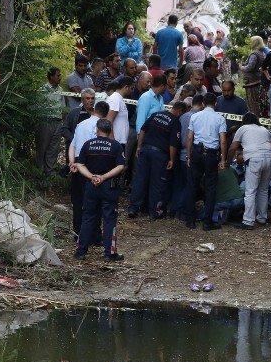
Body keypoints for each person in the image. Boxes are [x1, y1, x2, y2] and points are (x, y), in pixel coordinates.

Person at [73, 118, 125, 261]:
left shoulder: (88, 145)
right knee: (109, 220)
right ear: (110, 130)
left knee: (88, 218)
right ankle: (110, 253)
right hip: (109, 186)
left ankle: (81, 252)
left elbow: (79, 164)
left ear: (97, 129)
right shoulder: (115, 146)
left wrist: (92, 177)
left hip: (91, 186)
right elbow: (121, 166)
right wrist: (104, 177)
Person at [130, 101, 185, 219]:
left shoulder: (156, 115)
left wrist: (139, 147)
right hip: (159, 155)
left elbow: (143, 130)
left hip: (145, 150)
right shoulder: (175, 122)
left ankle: (133, 207)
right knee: (157, 183)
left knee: (140, 179)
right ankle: (154, 211)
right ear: (179, 111)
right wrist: (171, 159)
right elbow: (173, 144)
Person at [68, 99, 110, 240]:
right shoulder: (100, 127)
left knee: (78, 200)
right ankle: (94, 235)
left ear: (94, 110)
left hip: (78, 164)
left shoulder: (81, 124)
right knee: (94, 201)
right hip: (92, 166)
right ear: (106, 115)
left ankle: (77, 232)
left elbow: (72, 145)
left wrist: (72, 162)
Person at [185, 92, 227, 230]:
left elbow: (190, 138)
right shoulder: (220, 118)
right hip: (211, 154)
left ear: (202, 103)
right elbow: (223, 141)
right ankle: (207, 222)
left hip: (197, 152)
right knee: (210, 188)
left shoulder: (195, 116)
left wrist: (189, 156)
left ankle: (190, 220)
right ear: (215, 104)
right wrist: (223, 159)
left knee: (192, 185)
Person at [229, 113, 271, 229]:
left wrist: (227, 161)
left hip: (254, 159)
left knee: (250, 191)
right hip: (269, 159)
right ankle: (262, 218)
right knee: (263, 190)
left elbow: (233, 147)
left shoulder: (243, 128)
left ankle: (248, 221)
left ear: (244, 121)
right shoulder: (264, 129)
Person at [171, 96, 204, 220]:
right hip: (189, 155)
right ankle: (184, 211)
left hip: (179, 154)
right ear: (201, 104)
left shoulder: (183, 116)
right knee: (189, 185)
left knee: (179, 184)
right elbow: (192, 138)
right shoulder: (198, 118)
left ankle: (175, 210)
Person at [35, 67, 65, 171]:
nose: (60, 77)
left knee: (54, 148)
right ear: (51, 77)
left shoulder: (60, 90)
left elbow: (63, 106)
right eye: (58, 75)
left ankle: (50, 171)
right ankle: (39, 170)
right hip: (45, 121)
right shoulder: (43, 89)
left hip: (57, 122)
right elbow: (38, 106)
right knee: (42, 147)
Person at [105, 75, 135, 149]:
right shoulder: (115, 99)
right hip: (115, 142)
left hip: (119, 142)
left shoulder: (119, 98)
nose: (133, 90)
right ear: (126, 87)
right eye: (132, 88)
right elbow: (108, 121)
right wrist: (112, 141)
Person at [241, 36, 267, 116]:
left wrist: (241, 67)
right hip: (258, 80)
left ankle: (254, 119)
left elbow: (250, 67)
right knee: (257, 101)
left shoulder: (254, 54)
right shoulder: (262, 53)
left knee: (252, 103)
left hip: (252, 82)